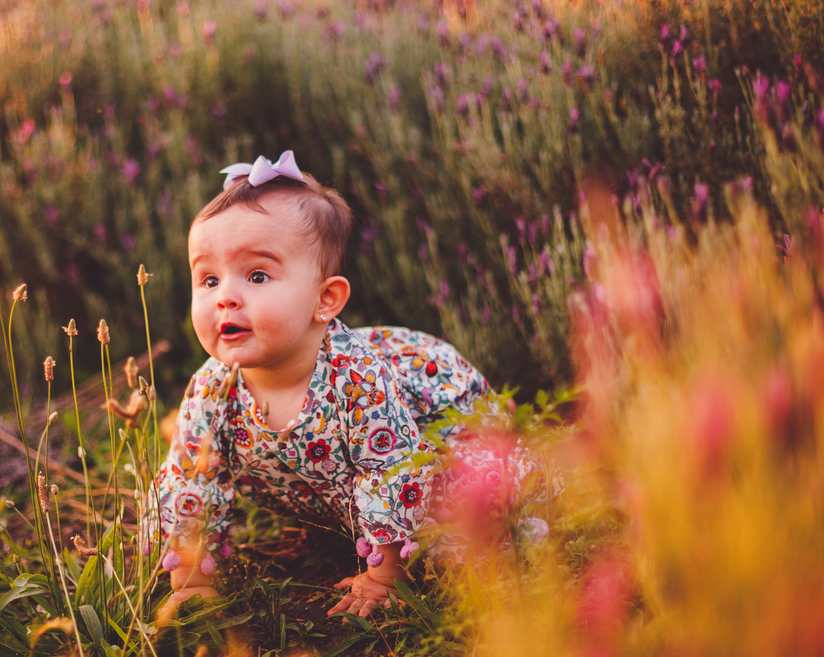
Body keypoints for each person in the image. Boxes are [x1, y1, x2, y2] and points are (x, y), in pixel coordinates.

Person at [142, 151, 546, 619]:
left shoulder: (355, 379)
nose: (226, 297)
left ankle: (506, 496)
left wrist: (383, 576)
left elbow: (392, 471)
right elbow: (193, 480)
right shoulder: (211, 393)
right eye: (208, 279)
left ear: (325, 299)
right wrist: (191, 580)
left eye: (256, 275)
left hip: (424, 432)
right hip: (330, 483)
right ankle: (346, 518)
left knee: (463, 526)